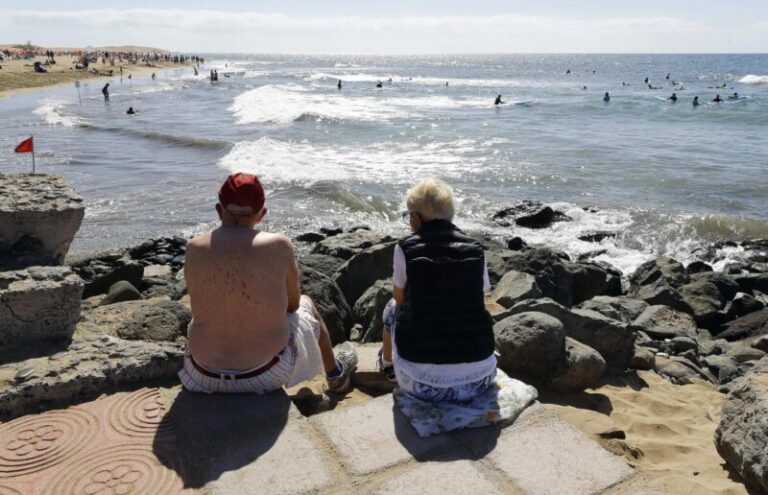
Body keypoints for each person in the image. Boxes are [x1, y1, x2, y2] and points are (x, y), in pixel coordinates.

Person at [178, 172, 358, 394]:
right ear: (262, 214)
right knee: (307, 304)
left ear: (218, 210)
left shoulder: (194, 247)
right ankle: (335, 374)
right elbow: (292, 306)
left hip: (201, 374)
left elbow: (196, 299)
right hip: (265, 375)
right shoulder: (278, 245)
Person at [378, 178, 496, 402]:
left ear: (415, 218)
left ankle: (387, 364)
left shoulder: (404, 248)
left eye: (408, 216)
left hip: (420, 383)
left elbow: (399, 299)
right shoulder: (476, 248)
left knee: (391, 308)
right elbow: (480, 299)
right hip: (479, 379)